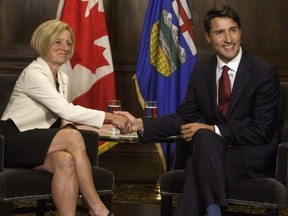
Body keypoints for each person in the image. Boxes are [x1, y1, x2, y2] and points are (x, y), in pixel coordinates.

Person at [117, 4, 280, 216]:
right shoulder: (202, 69)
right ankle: (213, 211)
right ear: (208, 38)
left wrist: (213, 130)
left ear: (240, 32)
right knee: (204, 141)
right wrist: (141, 124)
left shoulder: (263, 72)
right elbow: (184, 116)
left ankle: (212, 211)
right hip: (213, 151)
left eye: (233, 30)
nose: (228, 39)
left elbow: (261, 130)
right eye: (219, 32)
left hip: (249, 156)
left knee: (199, 155)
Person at [0, 20, 129, 216]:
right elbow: (66, 110)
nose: (65, 48)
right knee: (72, 138)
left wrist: (99, 129)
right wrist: (110, 117)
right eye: (58, 42)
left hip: (37, 142)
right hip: (11, 140)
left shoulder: (63, 78)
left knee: (66, 161)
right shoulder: (34, 73)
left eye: (68, 43)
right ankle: (97, 208)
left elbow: (63, 120)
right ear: (44, 43)